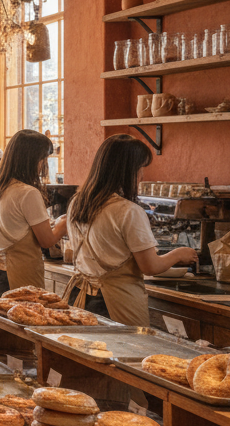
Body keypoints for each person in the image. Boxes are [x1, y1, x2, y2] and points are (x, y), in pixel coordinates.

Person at [64, 134, 198, 327]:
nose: (142, 175)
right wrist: (178, 254)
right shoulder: (128, 210)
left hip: (81, 298)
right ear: (128, 171)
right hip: (116, 303)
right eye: (140, 169)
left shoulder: (77, 202)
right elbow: (150, 266)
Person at [0, 129, 69, 297]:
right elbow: (46, 241)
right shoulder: (27, 193)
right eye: (43, 159)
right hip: (19, 277)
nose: (44, 165)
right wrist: (65, 223)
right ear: (31, 159)